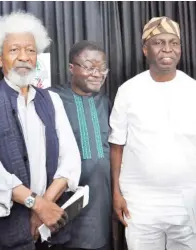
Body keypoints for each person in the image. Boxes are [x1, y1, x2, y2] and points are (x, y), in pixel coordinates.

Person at [109, 16, 196, 250]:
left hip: (190, 202)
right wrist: (116, 192)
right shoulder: (128, 91)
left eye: (174, 43)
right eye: (159, 42)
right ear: (146, 49)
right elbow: (117, 146)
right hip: (140, 204)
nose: (168, 49)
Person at [0, 11, 81, 250]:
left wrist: (44, 207)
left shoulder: (52, 100)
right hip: (4, 230)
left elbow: (70, 159)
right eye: (14, 50)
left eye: (30, 50)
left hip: (51, 226)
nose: (24, 57)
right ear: (0, 58)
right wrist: (36, 205)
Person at [49, 41, 112, 250]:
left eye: (101, 68)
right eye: (89, 67)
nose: (97, 73)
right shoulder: (51, 100)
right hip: (64, 205)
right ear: (71, 68)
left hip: (101, 206)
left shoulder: (107, 103)